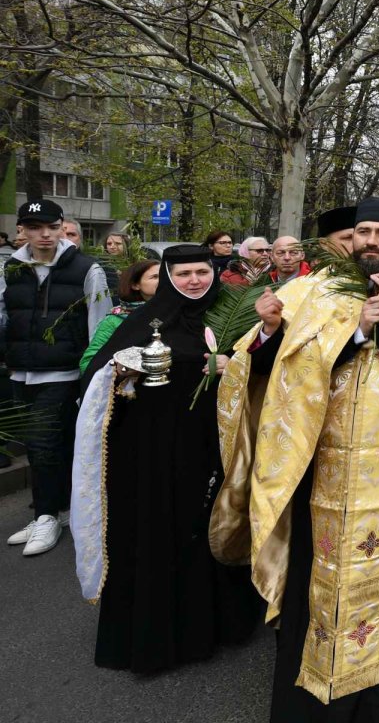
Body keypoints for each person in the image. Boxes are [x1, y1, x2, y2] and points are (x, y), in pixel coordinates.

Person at [210, 198, 379, 723]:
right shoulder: (313, 292)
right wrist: (273, 330)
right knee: (314, 572)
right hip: (320, 464)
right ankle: (309, 674)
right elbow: (271, 371)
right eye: (363, 231)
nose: (370, 241)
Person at [71, 245, 261, 672]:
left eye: (201, 272)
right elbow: (100, 376)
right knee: (160, 530)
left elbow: (263, 365)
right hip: (153, 454)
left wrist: (232, 364)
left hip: (211, 445)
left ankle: (217, 624)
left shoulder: (229, 319)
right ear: (168, 276)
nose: (194, 280)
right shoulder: (141, 320)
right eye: (183, 274)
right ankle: (157, 638)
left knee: (209, 527)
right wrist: (125, 369)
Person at [1, 199, 112, 556]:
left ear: (62, 225)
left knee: (44, 444)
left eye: (51, 227)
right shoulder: (11, 269)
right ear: (23, 230)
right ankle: (59, 510)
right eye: (35, 228)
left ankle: (47, 515)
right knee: (45, 445)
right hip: (20, 371)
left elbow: (101, 327)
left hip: (63, 373)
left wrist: (93, 378)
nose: (44, 235)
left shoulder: (86, 268)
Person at [79, 259, 160, 373]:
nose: (162, 281)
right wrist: (120, 370)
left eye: (165, 277)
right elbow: (88, 363)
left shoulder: (178, 311)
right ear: (135, 285)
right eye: (155, 277)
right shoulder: (115, 320)